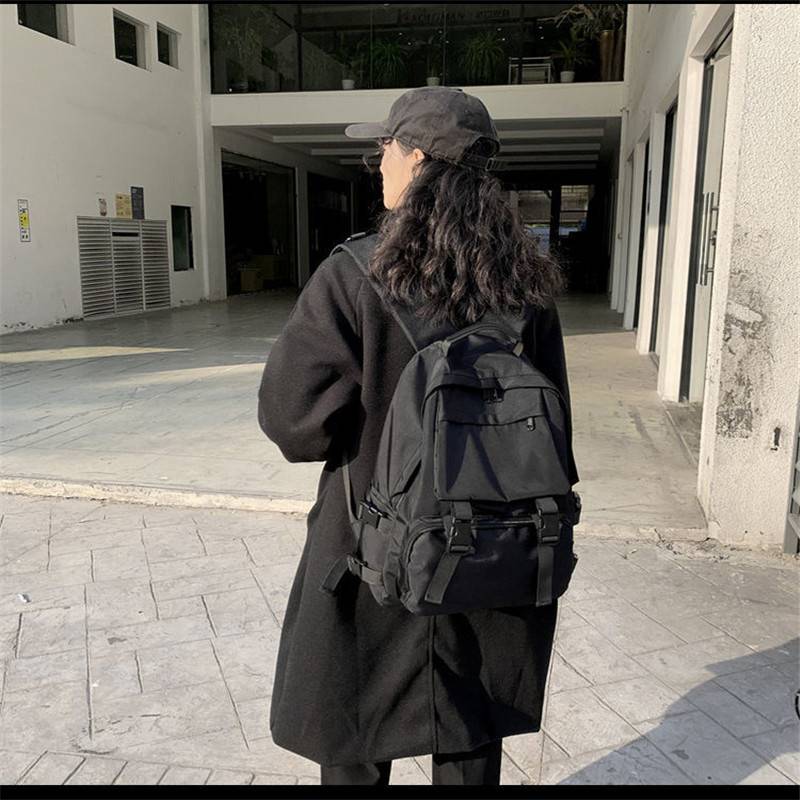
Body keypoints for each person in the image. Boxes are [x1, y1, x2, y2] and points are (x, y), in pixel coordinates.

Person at [257, 86, 579, 786]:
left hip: (371, 549)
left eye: (386, 146)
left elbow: (293, 423)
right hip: (492, 544)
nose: (378, 161)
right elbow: (554, 428)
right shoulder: (527, 283)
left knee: (354, 732)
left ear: (417, 158)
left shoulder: (356, 273)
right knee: (470, 730)